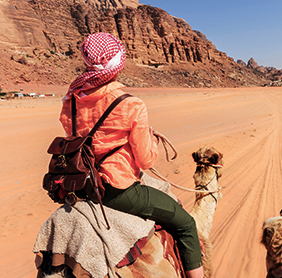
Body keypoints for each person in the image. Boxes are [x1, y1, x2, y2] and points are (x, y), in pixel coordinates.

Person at [59, 33, 204, 278]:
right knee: (186, 224)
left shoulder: (70, 101)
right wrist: (149, 138)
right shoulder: (131, 104)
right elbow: (146, 161)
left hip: (83, 186)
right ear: (119, 65)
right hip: (117, 191)